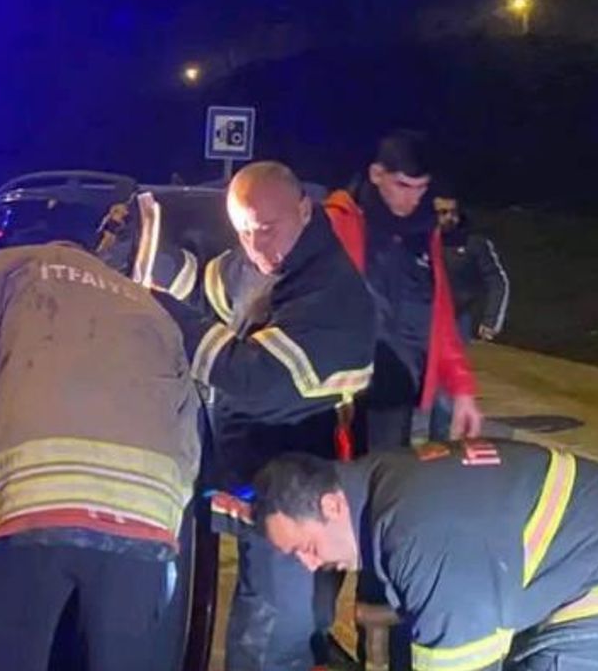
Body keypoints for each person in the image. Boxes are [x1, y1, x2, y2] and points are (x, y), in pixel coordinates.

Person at [0, 239, 201, 671]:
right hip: (145, 521)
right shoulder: (154, 311)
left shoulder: (14, 267)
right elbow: (188, 443)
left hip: (32, 506)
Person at [145, 162, 377, 671]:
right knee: (275, 621)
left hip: (305, 498)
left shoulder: (331, 292)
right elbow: (207, 289)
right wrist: (150, 259)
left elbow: (256, 379)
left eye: (268, 228)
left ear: (305, 210)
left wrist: (164, 312)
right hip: (263, 483)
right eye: (245, 232)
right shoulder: (268, 262)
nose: (256, 245)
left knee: (274, 633)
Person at [253, 440, 598, 671]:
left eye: (307, 548)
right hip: (594, 560)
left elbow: (461, 659)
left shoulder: (420, 536)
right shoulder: (378, 484)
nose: (310, 564)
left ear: (331, 505)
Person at [323, 130, 483, 451]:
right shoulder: (338, 222)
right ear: (376, 174)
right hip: (337, 388)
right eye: (403, 186)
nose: (413, 199)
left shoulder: (424, 235)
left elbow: (439, 319)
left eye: (421, 188)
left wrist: (462, 389)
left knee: (387, 473)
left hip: (396, 391)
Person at [428, 195, 510, 441]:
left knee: (446, 384)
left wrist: (491, 319)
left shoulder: (475, 243)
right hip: (417, 320)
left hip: (455, 321)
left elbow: (497, 281)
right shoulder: (417, 239)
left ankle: (442, 440)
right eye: (442, 213)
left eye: (453, 212)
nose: (449, 218)